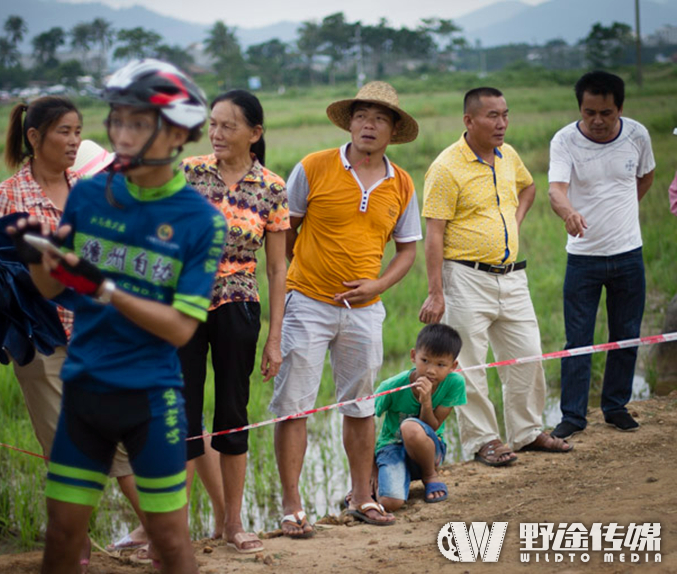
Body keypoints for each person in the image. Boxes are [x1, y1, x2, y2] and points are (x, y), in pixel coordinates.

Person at [11, 59, 225, 574]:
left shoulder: (201, 221)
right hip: (84, 390)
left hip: (152, 398)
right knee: (62, 535)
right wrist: (42, 261)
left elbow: (179, 328)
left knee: (169, 543)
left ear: (175, 131)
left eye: (136, 121)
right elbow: (52, 288)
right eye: (116, 120)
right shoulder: (89, 194)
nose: (120, 134)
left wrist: (105, 288)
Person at [271, 81, 421, 535]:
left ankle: (362, 496)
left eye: (380, 118)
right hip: (307, 304)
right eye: (361, 115)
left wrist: (376, 284)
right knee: (294, 404)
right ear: (350, 122)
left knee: (359, 405)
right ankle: (293, 507)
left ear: (393, 130)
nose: (369, 125)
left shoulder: (402, 182)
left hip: (365, 310)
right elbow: (285, 232)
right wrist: (306, 275)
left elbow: (407, 249)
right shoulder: (313, 167)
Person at [419, 87, 572, 467]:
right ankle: (483, 440)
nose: (501, 123)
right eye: (492, 116)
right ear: (469, 121)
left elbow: (529, 187)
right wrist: (435, 291)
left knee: (527, 354)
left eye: (505, 114)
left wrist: (513, 225)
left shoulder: (508, 156)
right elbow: (434, 233)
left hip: (512, 277)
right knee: (469, 363)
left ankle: (526, 431)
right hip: (465, 276)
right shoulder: (445, 167)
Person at [177, 89, 288, 553]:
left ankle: (233, 524)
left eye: (228, 125)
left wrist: (275, 339)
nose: (216, 133)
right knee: (179, 414)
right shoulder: (187, 174)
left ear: (254, 133)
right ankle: (173, 531)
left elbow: (278, 268)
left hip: (238, 305)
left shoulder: (271, 188)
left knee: (231, 416)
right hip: (182, 307)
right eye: (213, 124)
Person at [547, 71, 656, 439]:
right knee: (578, 339)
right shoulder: (564, 140)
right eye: (588, 112)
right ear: (580, 108)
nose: (596, 120)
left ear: (620, 109)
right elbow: (556, 190)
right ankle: (573, 417)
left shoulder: (638, 135)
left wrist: (621, 213)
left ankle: (615, 407)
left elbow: (645, 177)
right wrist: (569, 214)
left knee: (626, 334)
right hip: (583, 258)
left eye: (605, 113)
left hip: (628, 254)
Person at [0, 96, 89, 456]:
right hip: (43, 344)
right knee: (68, 459)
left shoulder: (89, 190)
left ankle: (157, 517)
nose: (74, 140)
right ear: (34, 137)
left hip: (97, 337)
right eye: (65, 132)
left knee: (127, 459)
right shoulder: (7, 196)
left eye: (78, 131)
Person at [373, 323, 465, 511]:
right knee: (391, 503)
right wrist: (370, 473)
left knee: (411, 428)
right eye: (425, 361)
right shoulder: (391, 387)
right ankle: (390, 480)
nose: (431, 370)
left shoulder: (454, 383)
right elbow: (363, 426)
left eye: (441, 365)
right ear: (414, 356)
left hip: (428, 449)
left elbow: (433, 425)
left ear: (453, 366)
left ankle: (430, 476)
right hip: (392, 447)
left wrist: (426, 402)